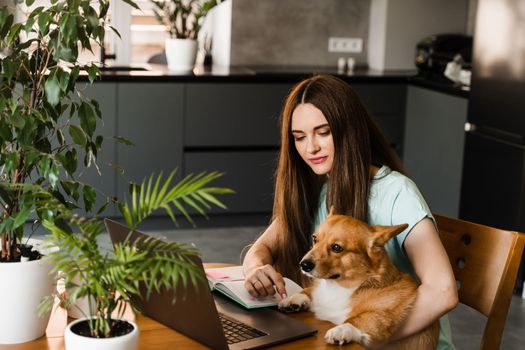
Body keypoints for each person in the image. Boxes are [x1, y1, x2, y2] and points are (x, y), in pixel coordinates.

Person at [242, 74, 458, 349]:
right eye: (299, 137)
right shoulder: (319, 189)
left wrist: (366, 336)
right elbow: (262, 248)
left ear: (349, 130)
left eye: (323, 132)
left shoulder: (397, 193)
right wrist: (255, 269)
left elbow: (443, 291)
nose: (311, 148)